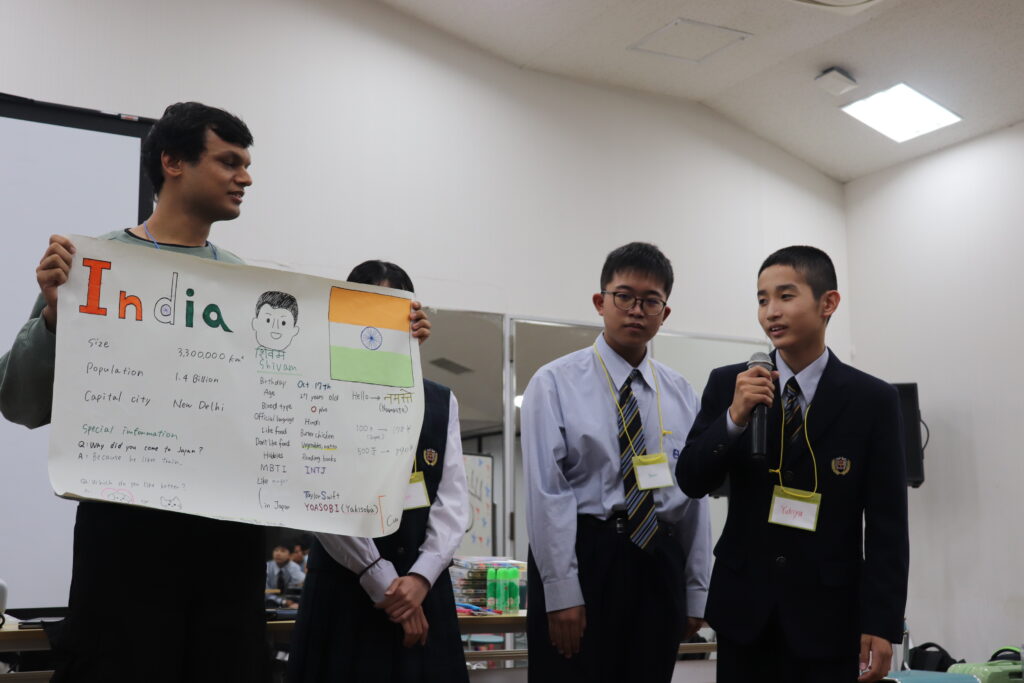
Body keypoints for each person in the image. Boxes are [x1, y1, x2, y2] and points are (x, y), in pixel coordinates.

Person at [0, 103, 432, 682]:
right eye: (229, 162)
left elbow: (309, 401)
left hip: (226, 546)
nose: (245, 177)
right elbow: (20, 404)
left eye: (246, 164)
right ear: (173, 162)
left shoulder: (247, 288)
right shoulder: (89, 268)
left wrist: (393, 345)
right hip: (125, 541)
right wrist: (55, 318)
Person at [676, 246, 909, 683]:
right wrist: (733, 418)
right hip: (745, 612)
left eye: (785, 296)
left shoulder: (873, 400)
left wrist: (882, 622)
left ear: (828, 303)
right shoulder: (730, 383)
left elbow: (887, 523)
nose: (771, 312)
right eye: (762, 299)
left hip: (829, 614)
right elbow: (690, 479)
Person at [521, 242, 711, 682]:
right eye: (624, 296)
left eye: (650, 301)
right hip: (587, 555)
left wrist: (696, 590)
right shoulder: (554, 383)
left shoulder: (682, 392)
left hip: (658, 559)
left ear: (665, 313)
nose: (636, 310)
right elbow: (547, 494)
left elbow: (694, 497)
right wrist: (561, 590)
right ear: (600, 302)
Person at [288, 261, 469, 683]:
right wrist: (381, 579)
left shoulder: (440, 401)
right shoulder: (319, 388)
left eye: (394, 310)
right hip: (346, 592)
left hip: (424, 589)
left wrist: (420, 578)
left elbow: (453, 503)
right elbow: (320, 494)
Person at [267, 543, 305, 608]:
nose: (278, 554)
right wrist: (283, 601)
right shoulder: (267, 566)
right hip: (270, 601)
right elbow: (265, 591)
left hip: (290, 601)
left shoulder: (294, 567)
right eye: (276, 550)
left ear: (290, 555)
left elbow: (301, 584)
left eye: (282, 551)